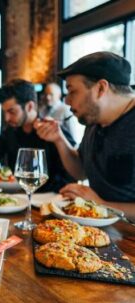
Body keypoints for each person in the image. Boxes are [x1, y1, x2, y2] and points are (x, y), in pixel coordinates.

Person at [35, 51, 135, 217]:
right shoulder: (94, 120)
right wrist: (59, 139)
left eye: (72, 91)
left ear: (101, 88)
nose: (66, 101)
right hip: (100, 229)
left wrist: (102, 205)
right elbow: (81, 170)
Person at [0, 79, 75, 192]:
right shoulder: (9, 132)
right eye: (5, 112)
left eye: (12, 112)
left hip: (48, 201)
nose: (6, 118)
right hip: (16, 197)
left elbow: (72, 175)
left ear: (29, 106)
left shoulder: (54, 131)